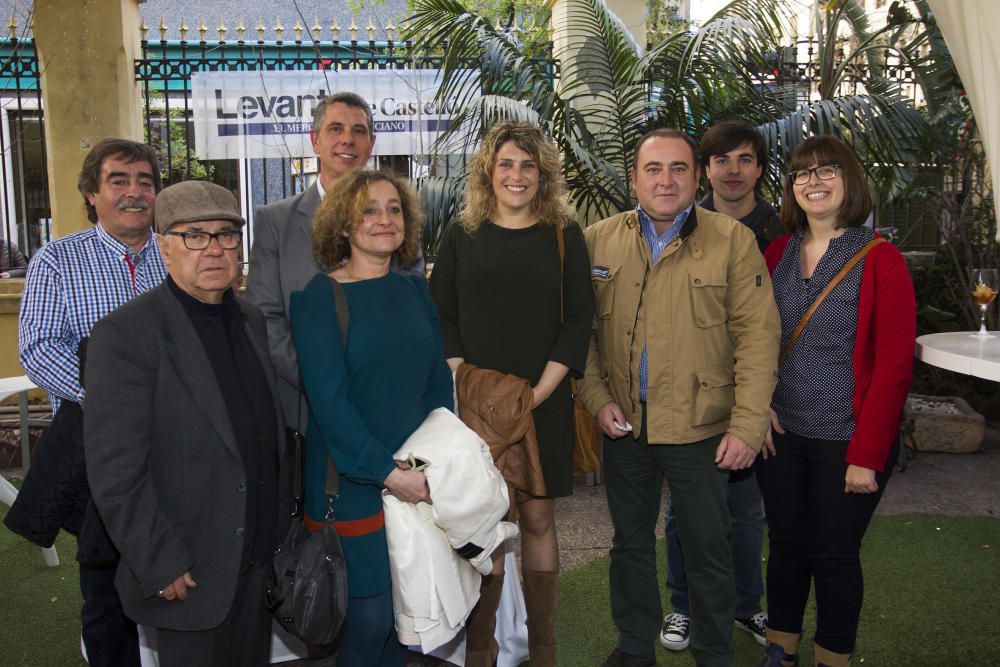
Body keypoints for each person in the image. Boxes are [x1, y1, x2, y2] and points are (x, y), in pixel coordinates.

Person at [577, 128, 780, 667]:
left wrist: (747, 425)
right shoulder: (597, 240)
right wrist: (597, 399)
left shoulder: (732, 240)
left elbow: (759, 338)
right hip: (625, 427)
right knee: (630, 544)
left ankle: (714, 654)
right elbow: (581, 337)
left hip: (703, 430)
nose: (665, 180)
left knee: (709, 550)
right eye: (653, 169)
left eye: (677, 169)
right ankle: (635, 645)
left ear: (696, 177)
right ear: (634, 178)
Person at [83, 181, 290, 666]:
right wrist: (159, 561)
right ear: (164, 246)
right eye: (194, 235)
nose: (215, 249)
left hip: (257, 562)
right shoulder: (127, 334)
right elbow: (115, 471)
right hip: (189, 570)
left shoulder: (250, 320)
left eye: (226, 235)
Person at [429, 120, 595, 667]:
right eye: (506, 164)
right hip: (474, 410)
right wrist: (471, 388)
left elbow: (577, 322)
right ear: (487, 172)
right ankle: (483, 649)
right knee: (488, 525)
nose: (516, 175)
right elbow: (441, 315)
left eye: (527, 165)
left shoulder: (564, 234)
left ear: (542, 173)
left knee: (539, 519)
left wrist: (534, 395)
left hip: (541, 402)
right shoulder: (460, 234)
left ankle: (543, 650)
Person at [756, 135, 915, 667]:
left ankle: (833, 658)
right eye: (801, 173)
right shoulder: (776, 252)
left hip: (847, 439)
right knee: (786, 549)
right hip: (782, 432)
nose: (813, 181)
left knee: (835, 556)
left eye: (827, 171)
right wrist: (758, 405)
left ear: (849, 181)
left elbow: (894, 364)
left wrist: (867, 455)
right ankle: (781, 651)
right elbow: (753, 337)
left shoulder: (881, 258)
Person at [289, 169, 453, 666]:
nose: (385, 219)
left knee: (402, 624)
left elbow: (437, 383)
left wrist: (434, 462)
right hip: (355, 482)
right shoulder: (318, 299)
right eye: (369, 210)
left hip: (416, 477)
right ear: (343, 225)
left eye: (394, 208)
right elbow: (329, 405)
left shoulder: (414, 291)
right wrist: (387, 474)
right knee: (370, 620)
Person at [17, 138, 166, 667]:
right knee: (107, 585)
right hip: (100, 446)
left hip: (174, 446)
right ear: (91, 194)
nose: (134, 192)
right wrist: (110, 399)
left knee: (176, 568)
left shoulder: (180, 253)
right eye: (119, 181)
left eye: (145, 181)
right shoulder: (57, 260)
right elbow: (38, 348)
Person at [660, 119, 779, 651]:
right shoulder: (679, 224)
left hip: (756, 401)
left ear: (759, 168)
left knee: (747, 512)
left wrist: (762, 405)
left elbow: (775, 325)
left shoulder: (782, 233)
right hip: (691, 400)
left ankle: (747, 606)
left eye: (746, 159)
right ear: (705, 169)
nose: (733, 171)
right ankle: (682, 607)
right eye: (721, 160)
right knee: (682, 511)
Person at [246, 91, 424, 434]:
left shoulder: (398, 221)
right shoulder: (275, 222)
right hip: (305, 410)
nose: (347, 139)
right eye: (336, 129)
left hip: (386, 405)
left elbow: (411, 314)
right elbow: (264, 318)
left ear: (371, 143)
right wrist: (321, 382)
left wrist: (374, 385)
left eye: (359, 131)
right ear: (315, 140)